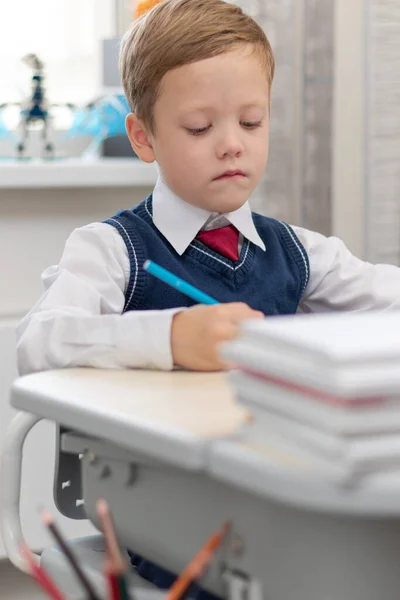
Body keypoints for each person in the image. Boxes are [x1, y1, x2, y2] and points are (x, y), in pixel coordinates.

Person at [15, 2, 400, 593]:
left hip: (271, 506)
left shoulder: (298, 251)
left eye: (251, 122)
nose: (231, 146)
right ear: (143, 137)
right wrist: (168, 337)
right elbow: (39, 342)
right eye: (200, 128)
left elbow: (386, 295)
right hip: (166, 518)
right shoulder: (111, 249)